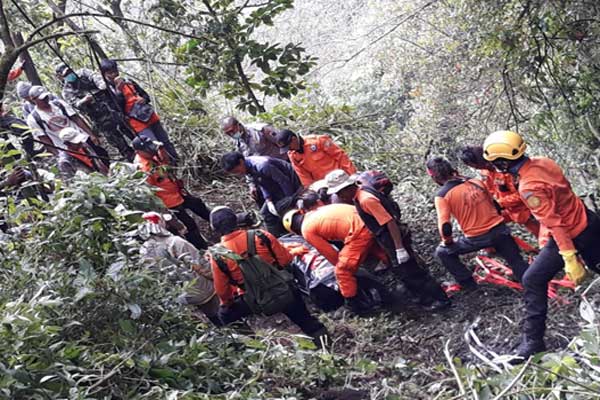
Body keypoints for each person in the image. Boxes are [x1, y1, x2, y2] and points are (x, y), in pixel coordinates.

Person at [482, 130, 600, 361]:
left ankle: (533, 343)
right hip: (589, 220)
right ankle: (533, 342)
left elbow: (556, 224)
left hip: (572, 234)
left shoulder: (529, 187)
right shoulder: (544, 163)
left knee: (532, 279)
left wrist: (569, 256)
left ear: (503, 162)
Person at [325, 169, 450, 310]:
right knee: (405, 273)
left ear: (346, 189)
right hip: (389, 239)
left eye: (340, 193)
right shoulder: (361, 194)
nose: (340, 197)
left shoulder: (366, 199)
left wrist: (399, 248)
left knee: (413, 272)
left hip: (393, 238)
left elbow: (389, 222)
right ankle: (426, 299)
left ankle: (441, 300)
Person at [207, 207, 328, 344]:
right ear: (236, 220)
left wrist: (228, 304)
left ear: (215, 229)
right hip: (284, 289)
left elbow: (223, 292)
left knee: (225, 316)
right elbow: (286, 260)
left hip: (255, 301)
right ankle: (325, 345)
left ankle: (252, 345)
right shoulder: (261, 235)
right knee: (306, 320)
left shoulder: (217, 256)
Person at [426, 156, 529, 290]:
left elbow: (445, 226)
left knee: (443, 252)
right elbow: (495, 205)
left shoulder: (442, 195)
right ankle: (529, 280)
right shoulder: (476, 182)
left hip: (477, 238)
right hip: (499, 230)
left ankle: (469, 285)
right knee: (516, 261)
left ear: (435, 178)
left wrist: (448, 241)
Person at [282, 204, 397, 313]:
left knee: (342, 271)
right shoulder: (315, 212)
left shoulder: (306, 230)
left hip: (359, 233)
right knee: (380, 252)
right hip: (368, 222)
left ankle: (356, 305)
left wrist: (346, 267)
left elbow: (331, 254)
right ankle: (398, 275)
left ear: (295, 231)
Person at [138, 212, 221, 326]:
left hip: (181, 294)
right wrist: (218, 277)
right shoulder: (175, 242)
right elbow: (199, 265)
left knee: (212, 316)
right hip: (202, 289)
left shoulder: (144, 250)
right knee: (221, 313)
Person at [132, 135, 210, 249]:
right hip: (169, 202)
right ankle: (202, 248)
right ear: (138, 152)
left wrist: (161, 149)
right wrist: (165, 212)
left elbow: (166, 164)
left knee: (197, 204)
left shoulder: (153, 154)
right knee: (189, 225)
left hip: (177, 191)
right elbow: (149, 194)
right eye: (147, 150)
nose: (152, 151)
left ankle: (217, 223)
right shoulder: (143, 169)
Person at [100, 59, 178, 164]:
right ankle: (166, 171)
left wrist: (143, 99)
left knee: (165, 142)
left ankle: (176, 162)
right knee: (154, 147)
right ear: (104, 74)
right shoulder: (106, 91)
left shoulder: (128, 81)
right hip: (137, 123)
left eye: (115, 71)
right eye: (110, 73)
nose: (114, 74)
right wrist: (118, 90)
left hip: (149, 115)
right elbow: (117, 109)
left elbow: (146, 95)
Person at [56, 63, 135, 161]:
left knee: (131, 131)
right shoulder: (67, 91)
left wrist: (101, 85)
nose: (69, 75)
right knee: (117, 141)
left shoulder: (83, 73)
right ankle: (130, 156)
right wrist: (84, 101)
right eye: (66, 74)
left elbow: (96, 78)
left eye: (69, 72)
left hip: (112, 108)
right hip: (99, 118)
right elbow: (75, 105)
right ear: (61, 77)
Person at [459, 145, 540, 239]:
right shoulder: (487, 173)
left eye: (474, 165)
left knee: (547, 238)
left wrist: (499, 203)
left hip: (529, 210)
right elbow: (491, 191)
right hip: (513, 211)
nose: (476, 168)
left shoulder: (506, 168)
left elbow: (524, 193)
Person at [25, 86, 109, 166]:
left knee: (101, 157)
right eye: (42, 99)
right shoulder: (33, 118)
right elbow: (44, 139)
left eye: (46, 97)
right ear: (33, 100)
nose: (45, 100)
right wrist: (58, 155)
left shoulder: (59, 104)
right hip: (64, 147)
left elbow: (76, 118)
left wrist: (91, 135)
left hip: (81, 138)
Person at [221, 152, 301, 237]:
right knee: (265, 213)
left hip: (291, 184)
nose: (238, 174)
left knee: (281, 208)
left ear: (241, 162)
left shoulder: (263, 165)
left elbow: (284, 181)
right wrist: (268, 199)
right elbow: (262, 183)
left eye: (237, 171)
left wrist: (290, 200)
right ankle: (279, 237)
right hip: (274, 186)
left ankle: (293, 231)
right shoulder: (248, 168)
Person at [274, 129, 356, 187]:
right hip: (323, 185)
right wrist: (314, 189)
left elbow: (341, 156)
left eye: (289, 146)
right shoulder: (293, 155)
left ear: (294, 139)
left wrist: (352, 174)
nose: (289, 149)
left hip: (341, 177)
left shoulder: (318, 141)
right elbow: (303, 176)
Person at [220, 116, 285, 160]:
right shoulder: (236, 142)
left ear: (239, 125)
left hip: (283, 163)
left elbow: (284, 143)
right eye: (228, 133)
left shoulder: (260, 130)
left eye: (232, 130)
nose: (231, 134)